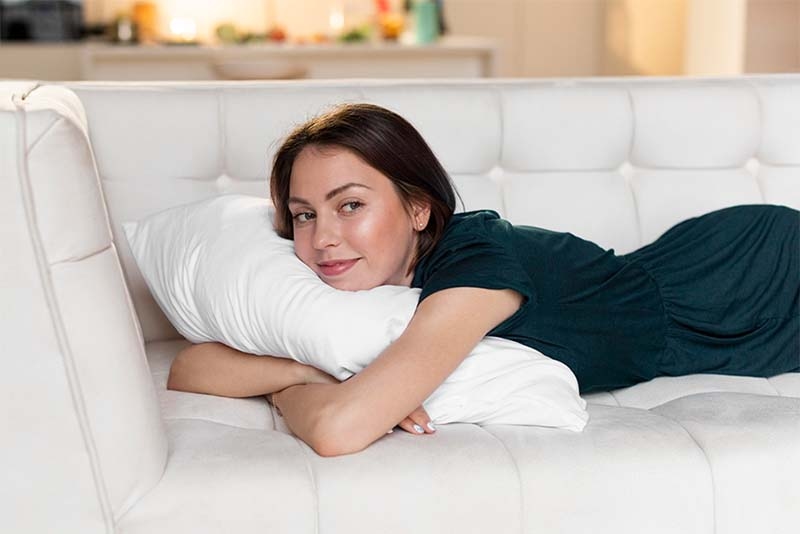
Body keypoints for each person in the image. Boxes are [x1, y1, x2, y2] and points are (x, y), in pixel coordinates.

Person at [168, 103, 800, 457]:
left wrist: (299, 389)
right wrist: (305, 374)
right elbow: (189, 369)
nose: (322, 237)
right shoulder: (340, 285)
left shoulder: (476, 268)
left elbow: (339, 429)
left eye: (350, 204)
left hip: (750, 280)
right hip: (699, 301)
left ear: (419, 209)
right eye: (305, 215)